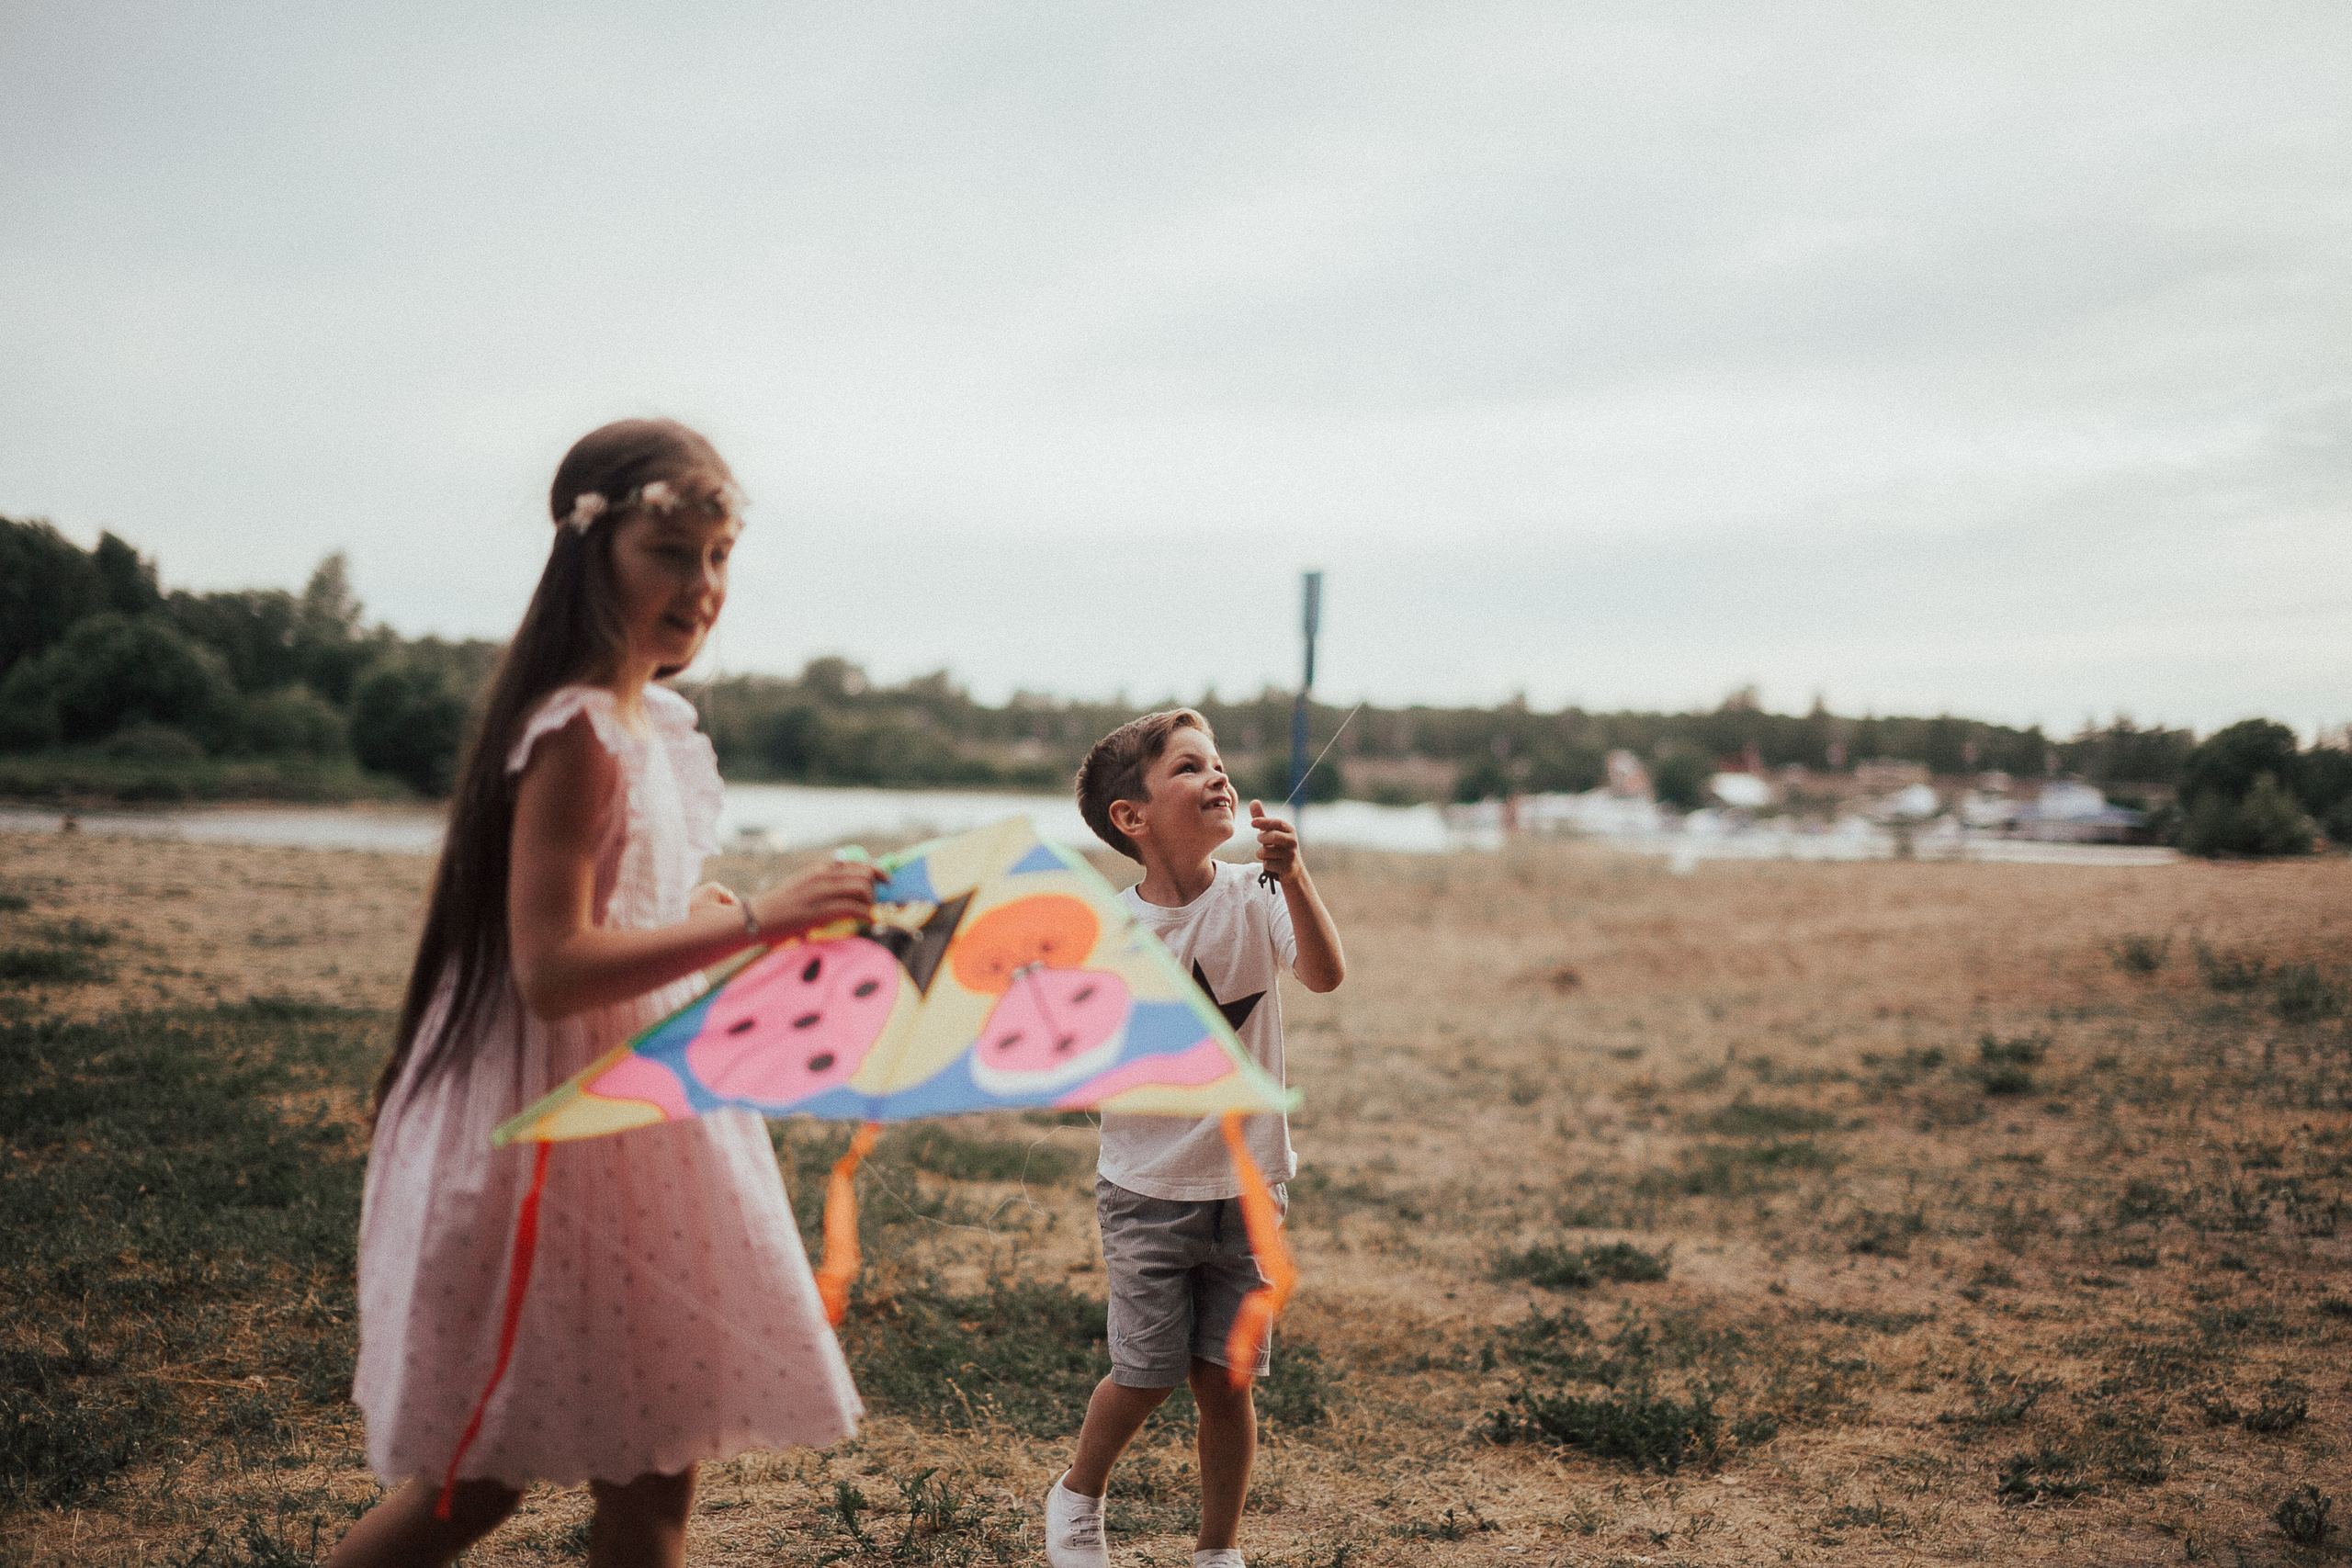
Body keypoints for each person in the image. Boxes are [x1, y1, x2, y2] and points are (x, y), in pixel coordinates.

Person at [328, 419, 880, 1568]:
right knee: (471, 1493)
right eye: (670, 553)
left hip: (640, 1131)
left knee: (653, 1482)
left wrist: (726, 923)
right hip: (541, 1138)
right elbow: (550, 968)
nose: (702, 586)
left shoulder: (647, 724)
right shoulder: (577, 728)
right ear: (593, 553)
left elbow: (627, 917)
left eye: (718, 559)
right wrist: (756, 917)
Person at [1047, 710, 1346, 1568]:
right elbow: (1077, 1062)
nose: (1217, 777)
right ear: (1130, 818)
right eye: (1188, 768)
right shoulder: (1106, 931)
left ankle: (1218, 1551)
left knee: (1227, 1378)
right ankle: (1077, 1493)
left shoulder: (1256, 893)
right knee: (1143, 1371)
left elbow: (1323, 975)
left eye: (1217, 763)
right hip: (1146, 1189)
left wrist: (1296, 878)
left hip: (1252, 1185)